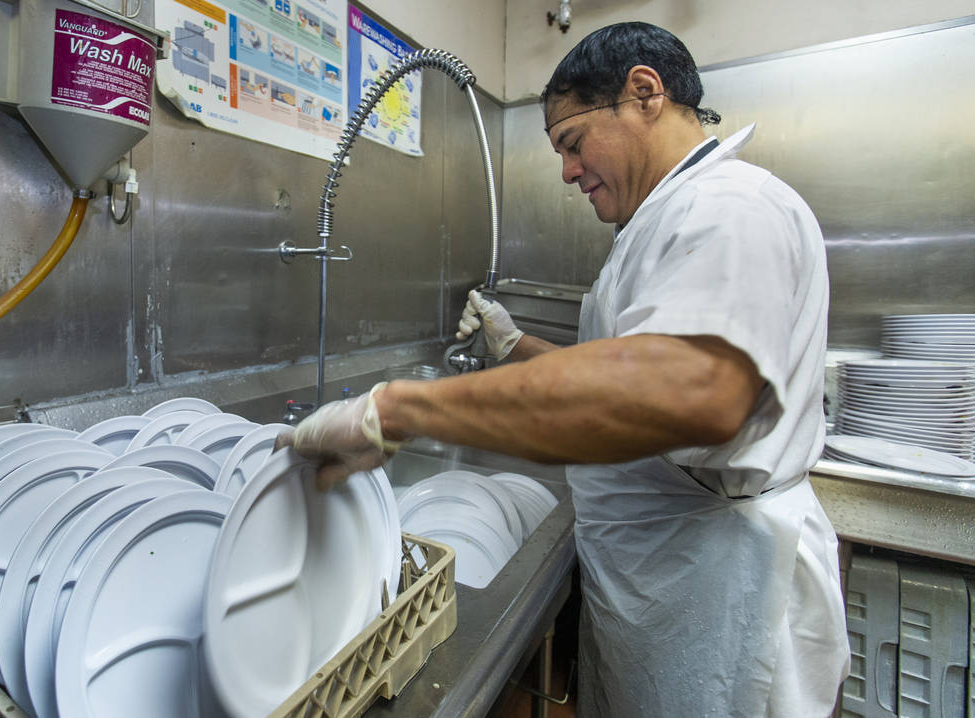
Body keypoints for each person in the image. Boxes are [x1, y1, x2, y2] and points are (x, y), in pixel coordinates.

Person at [281, 21, 849, 717]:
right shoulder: (661, 221)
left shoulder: (728, 207)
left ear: (644, 93)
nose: (567, 171)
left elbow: (689, 392)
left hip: (721, 597)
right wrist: (512, 345)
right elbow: (617, 374)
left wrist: (396, 411)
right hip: (668, 582)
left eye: (572, 143)